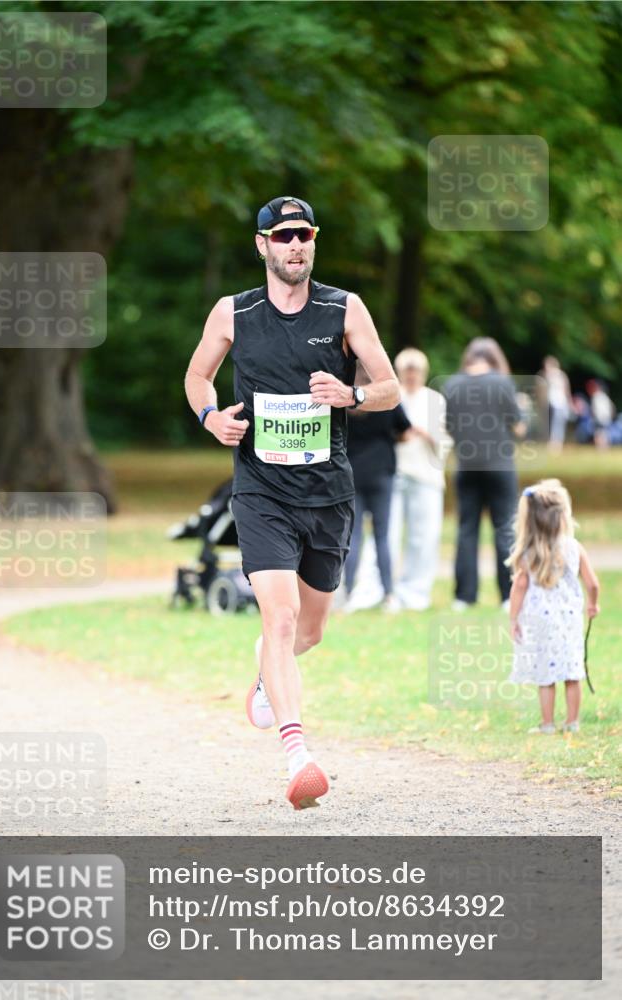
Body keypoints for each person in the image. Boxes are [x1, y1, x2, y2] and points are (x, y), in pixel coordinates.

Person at [184, 196, 400, 810]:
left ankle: (264, 677)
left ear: (314, 241)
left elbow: (387, 388)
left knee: (309, 630)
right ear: (262, 246)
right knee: (276, 618)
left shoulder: (344, 308)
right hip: (260, 488)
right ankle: (298, 753)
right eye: (282, 236)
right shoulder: (233, 313)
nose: (294, 245)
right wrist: (209, 417)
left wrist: (351, 394)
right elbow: (196, 376)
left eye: (304, 234)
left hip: (328, 490)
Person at [506, 479, 600, 734]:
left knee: (545, 675)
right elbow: (592, 583)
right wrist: (593, 604)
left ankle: (547, 724)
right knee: (572, 671)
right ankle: (572, 722)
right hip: (569, 619)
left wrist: (513, 618)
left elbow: (519, 588)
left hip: (539, 621)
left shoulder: (527, 552)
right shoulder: (574, 547)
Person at [443, 338, 526, 611]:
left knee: (467, 530)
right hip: (500, 465)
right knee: (504, 529)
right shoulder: (502, 384)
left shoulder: (452, 385)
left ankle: (464, 597)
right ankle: (507, 595)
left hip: (466, 466)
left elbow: (449, 427)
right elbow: (518, 428)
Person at [343, 366, 410, 613]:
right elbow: (405, 430)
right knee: (383, 536)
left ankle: (349, 592)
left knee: (353, 536)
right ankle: (389, 594)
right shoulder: (384, 399)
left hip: (351, 474)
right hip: (382, 473)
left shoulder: (344, 400)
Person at [392, 348, 452, 611]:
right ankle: (387, 589)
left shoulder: (435, 400)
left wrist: (427, 435)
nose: (411, 377)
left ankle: (416, 592)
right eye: (407, 372)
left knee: (424, 537)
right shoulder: (392, 398)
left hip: (426, 475)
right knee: (389, 535)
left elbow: (446, 440)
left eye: (416, 372)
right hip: (396, 473)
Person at [539, 356, 573, 453]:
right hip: (549, 403)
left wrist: (569, 404)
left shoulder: (560, 376)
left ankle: (556, 444)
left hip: (560, 403)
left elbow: (566, 391)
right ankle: (551, 443)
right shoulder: (544, 375)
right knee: (549, 424)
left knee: (557, 424)